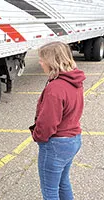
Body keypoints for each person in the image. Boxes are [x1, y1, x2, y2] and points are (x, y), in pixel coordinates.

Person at [29, 41, 86, 200]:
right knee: (62, 182)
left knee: (50, 191)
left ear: (51, 61)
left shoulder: (55, 88)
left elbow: (47, 123)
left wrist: (37, 136)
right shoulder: (74, 80)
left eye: (42, 59)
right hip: (73, 139)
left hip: (56, 144)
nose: (40, 62)